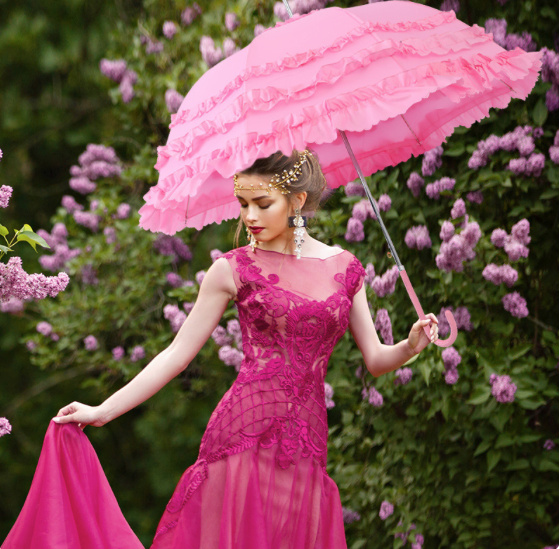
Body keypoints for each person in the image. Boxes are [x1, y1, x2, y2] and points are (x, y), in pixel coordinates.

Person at [51, 149, 438, 548]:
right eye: (243, 204)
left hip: (307, 445)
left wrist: (410, 345)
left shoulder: (345, 268)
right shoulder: (231, 269)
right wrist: (102, 411)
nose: (249, 217)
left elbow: (375, 359)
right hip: (242, 436)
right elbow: (176, 354)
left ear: (297, 201)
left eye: (262, 204)